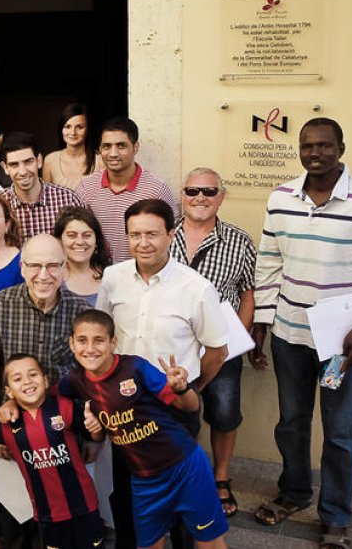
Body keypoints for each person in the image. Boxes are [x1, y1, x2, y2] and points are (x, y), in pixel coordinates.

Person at [251, 118, 352, 549]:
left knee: (339, 431)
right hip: (289, 337)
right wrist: (263, 322)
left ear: (341, 147)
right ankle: (295, 493)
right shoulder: (281, 198)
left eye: (324, 145)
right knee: (291, 422)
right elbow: (268, 263)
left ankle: (336, 516)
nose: (315, 153)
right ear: (299, 149)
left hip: (341, 345)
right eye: (307, 146)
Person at [95, 199, 229, 549]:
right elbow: (102, 336)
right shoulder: (113, 278)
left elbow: (217, 351)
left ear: (171, 234)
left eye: (152, 234)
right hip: (124, 409)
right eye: (135, 235)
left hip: (173, 409)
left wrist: (189, 390)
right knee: (126, 493)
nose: (143, 243)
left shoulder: (195, 288)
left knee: (183, 500)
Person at [54, 310, 229, 549]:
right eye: (82, 340)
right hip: (145, 479)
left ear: (113, 342)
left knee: (209, 541)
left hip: (184, 467)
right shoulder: (75, 381)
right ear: (72, 343)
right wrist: (12, 403)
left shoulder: (135, 368)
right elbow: (46, 398)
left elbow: (190, 406)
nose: (90, 348)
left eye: (99, 340)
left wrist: (181, 388)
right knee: (146, 544)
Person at [169, 167, 256, 518]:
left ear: (221, 196)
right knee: (174, 413)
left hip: (222, 349)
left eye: (208, 191)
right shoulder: (164, 232)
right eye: (192, 191)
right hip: (173, 348)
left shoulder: (240, 240)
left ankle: (221, 478)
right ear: (182, 194)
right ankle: (179, 475)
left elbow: (249, 294)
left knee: (223, 414)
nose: (200, 198)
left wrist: (239, 339)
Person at [0, 354, 106, 549]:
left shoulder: (65, 406)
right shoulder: (7, 423)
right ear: (9, 391)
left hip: (85, 505)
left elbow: (96, 436)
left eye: (33, 374)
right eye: (17, 379)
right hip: (48, 513)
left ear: (45, 380)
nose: (27, 381)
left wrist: (96, 430)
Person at [0, 234, 90, 412]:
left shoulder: (82, 312)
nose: (44, 275)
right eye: (35, 266)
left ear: (65, 269)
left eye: (53, 266)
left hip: (67, 422)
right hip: (14, 421)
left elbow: (89, 376)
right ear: (23, 268)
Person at [73, 117, 177, 261]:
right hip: (97, 276)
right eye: (107, 146)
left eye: (121, 146)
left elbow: (172, 239)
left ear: (135, 147)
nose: (113, 153)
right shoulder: (86, 187)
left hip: (140, 276)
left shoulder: (156, 190)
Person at [0, 131, 84, 243]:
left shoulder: (69, 200)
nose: (23, 171)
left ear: (39, 161)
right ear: (5, 167)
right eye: (14, 164)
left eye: (28, 162)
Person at [53, 207, 112, 307]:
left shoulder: (112, 275)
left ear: (96, 240)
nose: (80, 242)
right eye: (72, 235)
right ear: (59, 240)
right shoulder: (52, 279)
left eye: (87, 235)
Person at [43, 103, 102, 189]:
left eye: (79, 127)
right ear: (61, 130)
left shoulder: (100, 161)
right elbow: (47, 198)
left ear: (88, 130)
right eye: (67, 127)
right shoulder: (50, 160)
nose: (73, 132)